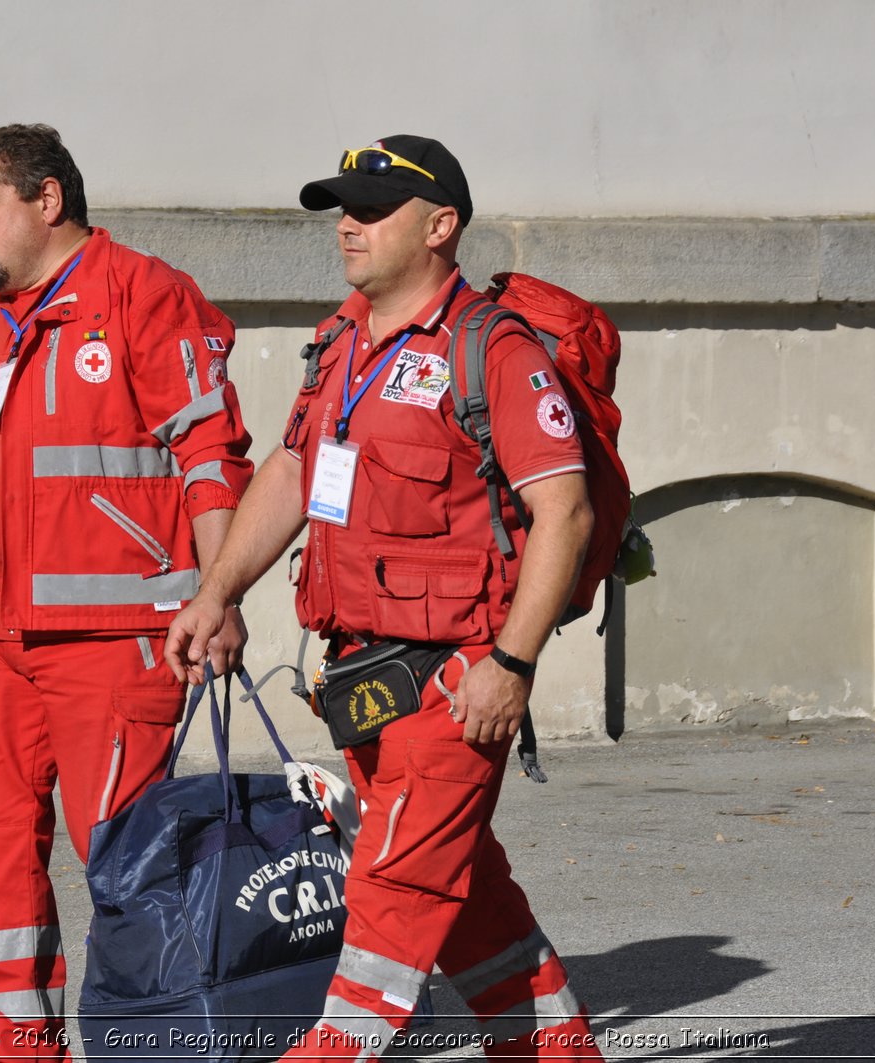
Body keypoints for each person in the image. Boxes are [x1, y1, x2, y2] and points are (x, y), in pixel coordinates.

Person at [166, 135, 603, 1060]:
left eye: (373, 209)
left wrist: (512, 665)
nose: (349, 226)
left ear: (441, 226)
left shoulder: (495, 351)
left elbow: (562, 512)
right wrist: (217, 590)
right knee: (465, 894)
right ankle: (556, 1046)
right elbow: (292, 470)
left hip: (457, 686)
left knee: (394, 891)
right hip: (362, 681)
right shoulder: (338, 347)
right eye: (343, 209)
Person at [0, 123, 252, 1061]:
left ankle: (163, 1038)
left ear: (46, 201)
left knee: (129, 863)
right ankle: (14, 1044)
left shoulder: (144, 296)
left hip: (115, 640)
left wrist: (220, 592)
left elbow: (209, 454)